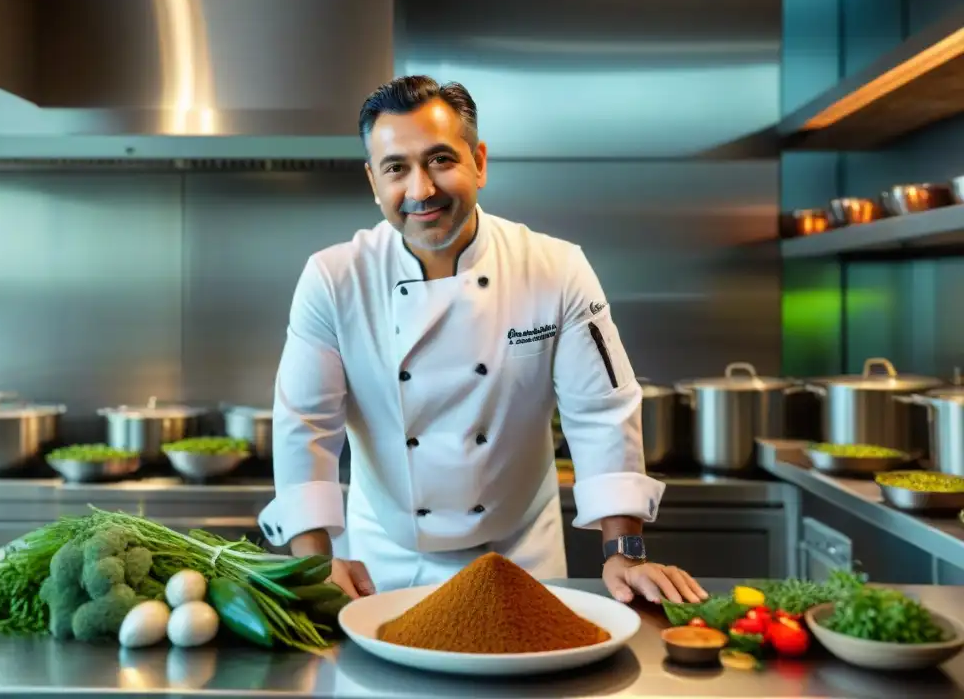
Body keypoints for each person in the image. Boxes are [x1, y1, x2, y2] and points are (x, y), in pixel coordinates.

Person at [257, 75, 708, 606]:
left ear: (480, 162)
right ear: (373, 181)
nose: (421, 189)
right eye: (396, 168)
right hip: (383, 562)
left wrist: (625, 553)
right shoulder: (334, 279)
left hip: (521, 555)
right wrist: (315, 562)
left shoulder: (555, 267)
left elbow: (602, 411)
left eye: (441, 160)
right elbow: (305, 424)